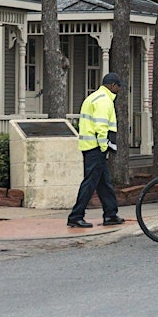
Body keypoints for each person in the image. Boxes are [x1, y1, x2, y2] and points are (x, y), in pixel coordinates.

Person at [68, 73, 127, 228]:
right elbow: (101, 127)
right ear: (113, 85)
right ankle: (76, 216)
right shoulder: (104, 101)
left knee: (103, 183)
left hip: (89, 146)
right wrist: (104, 147)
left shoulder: (94, 97)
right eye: (119, 87)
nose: (119, 90)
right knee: (90, 182)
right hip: (96, 147)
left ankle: (111, 214)